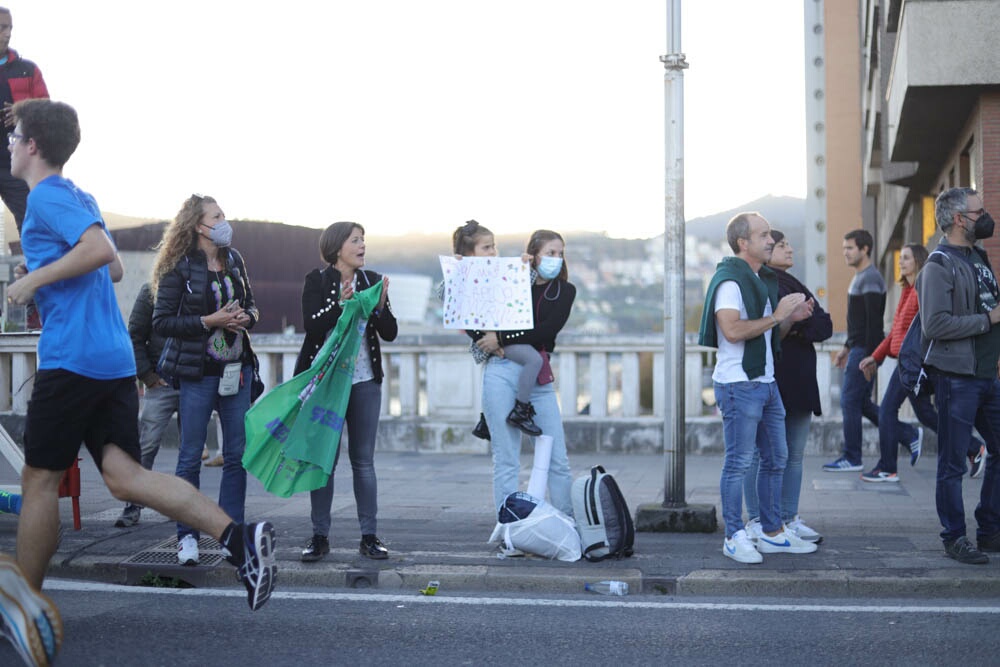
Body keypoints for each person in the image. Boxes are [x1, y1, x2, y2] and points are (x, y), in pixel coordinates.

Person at [0, 100, 275, 666]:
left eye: (14, 137)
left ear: (31, 146)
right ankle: (240, 542)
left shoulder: (45, 196)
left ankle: (22, 608)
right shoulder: (79, 195)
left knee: (39, 482)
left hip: (71, 359)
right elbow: (114, 267)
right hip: (112, 360)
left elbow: (100, 252)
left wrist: (34, 283)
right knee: (127, 477)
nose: (8, 146)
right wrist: (49, 269)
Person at [698, 212, 817, 564]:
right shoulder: (730, 282)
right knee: (738, 463)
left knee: (777, 458)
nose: (771, 240)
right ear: (743, 243)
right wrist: (778, 316)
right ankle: (734, 535)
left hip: (765, 383)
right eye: (764, 235)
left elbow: (765, 335)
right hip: (739, 385)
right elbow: (732, 332)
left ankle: (772, 531)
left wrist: (787, 320)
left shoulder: (759, 279)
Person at [152, 194, 260, 567]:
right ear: (199, 226)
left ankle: (232, 535)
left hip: (237, 372)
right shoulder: (180, 266)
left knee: (236, 457)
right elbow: (161, 322)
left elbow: (252, 303)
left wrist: (247, 317)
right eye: (217, 216)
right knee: (189, 458)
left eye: (224, 215)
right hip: (198, 376)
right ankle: (187, 538)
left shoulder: (235, 260)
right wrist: (207, 322)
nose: (224, 221)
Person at [293, 221, 397, 562]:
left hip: (365, 382)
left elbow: (390, 332)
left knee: (363, 462)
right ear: (338, 247)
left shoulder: (373, 280)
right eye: (356, 240)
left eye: (364, 239)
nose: (363, 245)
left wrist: (379, 306)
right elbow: (313, 325)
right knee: (323, 461)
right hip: (325, 384)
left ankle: (369, 536)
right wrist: (341, 304)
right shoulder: (317, 281)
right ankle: (319, 536)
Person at [915, 187, 1000, 564]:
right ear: (958, 219)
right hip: (955, 377)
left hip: (986, 376)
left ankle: (989, 530)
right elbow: (934, 324)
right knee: (952, 462)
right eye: (978, 210)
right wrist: (988, 320)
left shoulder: (978, 256)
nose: (985, 215)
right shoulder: (938, 265)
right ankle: (954, 537)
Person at [858, 244, 988, 483]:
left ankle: (888, 466)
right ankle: (973, 447)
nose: (901, 262)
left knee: (887, 410)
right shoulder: (908, 291)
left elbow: (926, 329)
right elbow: (896, 333)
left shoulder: (923, 290)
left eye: (906, 258)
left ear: (918, 260)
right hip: (906, 363)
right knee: (927, 414)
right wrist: (876, 357)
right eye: (900, 258)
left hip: (915, 363)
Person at [474, 230, 575, 518]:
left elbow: (547, 330)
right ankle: (510, 530)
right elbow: (476, 298)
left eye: (560, 253)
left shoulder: (565, 291)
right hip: (501, 371)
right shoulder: (514, 281)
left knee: (558, 459)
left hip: (538, 376)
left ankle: (566, 524)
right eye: (550, 253)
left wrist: (502, 339)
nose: (556, 259)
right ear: (533, 254)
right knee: (506, 461)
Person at [742, 230, 831, 544]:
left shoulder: (796, 284)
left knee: (794, 454)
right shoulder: (762, 283)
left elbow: (824, 325)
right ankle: (757, 519)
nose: (789, 249)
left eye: (788, 243)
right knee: (761, 454)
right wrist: (792, 322)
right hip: (772, 380)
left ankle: (788, 518)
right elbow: (768, 331)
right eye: (781, 245)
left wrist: (797, 323)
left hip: (800, 381)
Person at [451, 220, 543, 437]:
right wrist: (456, 272)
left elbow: (521, 289)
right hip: (489, 342)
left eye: (494, 246)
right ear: (470, 254)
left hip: (503, 338)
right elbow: (448, 298)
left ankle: (485, 420)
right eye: (486, 247)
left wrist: (525, 266)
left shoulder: (499, 271)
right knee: (534, 360)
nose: (493, 251)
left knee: (494, 381)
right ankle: (521, 410)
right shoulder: (463, 277)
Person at [114, 283, 180, 527]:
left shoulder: (200, 282)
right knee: (147, 445)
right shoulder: (151, 290)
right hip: (160, 382)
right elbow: (134, 335)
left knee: (190, 451)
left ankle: (184, 507)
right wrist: (147, 376)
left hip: (195, 383)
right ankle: (133, 505)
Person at [825, 229, 886, 472]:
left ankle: (852, 457)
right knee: (861, 403)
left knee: (849, 401)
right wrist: (846, 348)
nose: (845, 253)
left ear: (865, 249)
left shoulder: (870, 277)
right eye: (844, 248)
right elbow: (858, 324)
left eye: (850, 248)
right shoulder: (861, 276)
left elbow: (873, 325)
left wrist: (871, 357)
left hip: (866, 351)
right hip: (858, 348)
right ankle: (909, 434)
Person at [0, 7, 47, 235]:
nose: (7, 33)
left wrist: (23, 111)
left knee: (32, 225)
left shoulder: (28, 70)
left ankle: (32, 270)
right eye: (1, 28)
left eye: (9, 27)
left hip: (16, 166)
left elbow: (48, 110)